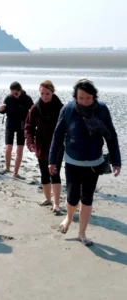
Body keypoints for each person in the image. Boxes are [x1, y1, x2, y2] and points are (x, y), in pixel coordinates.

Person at [49, 79, 121, 246]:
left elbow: (111, 136)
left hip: (94, 162)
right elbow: (57, 136)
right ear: (76, 97)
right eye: (81, 98)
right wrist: (52, 160)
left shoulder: (102, 110)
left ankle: (82, 233)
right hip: (73, 161)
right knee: (72, 197)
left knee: (87, 197)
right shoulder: (68, 109)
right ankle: (68, 217)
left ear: (94, 96)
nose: (85, 102)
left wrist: (116, 160)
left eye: (88, 98)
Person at [25, 80, 64, 214]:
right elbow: (28, 127)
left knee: (55, 173)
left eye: (47, 93)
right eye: (42, 93)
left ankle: (57, 204)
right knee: (44, 173)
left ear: (52, 92)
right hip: (41, 146)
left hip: (57, 146)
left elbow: (68, 128)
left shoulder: (61, 108)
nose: (44, 96)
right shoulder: (35, 107)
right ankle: (47, 199)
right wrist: (31, 144)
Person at [0, 81, 33, 178]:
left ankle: (15, 172)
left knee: (19, 149)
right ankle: (7, 168)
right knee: (8, 148)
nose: (14, 95)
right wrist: (0, 109)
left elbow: (33, 111)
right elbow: (3, 110)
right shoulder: (9, 98)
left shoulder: (27, 99)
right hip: (10, 124)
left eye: (16, 93)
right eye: (12, 93)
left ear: (20, 90)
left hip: (22, 125)